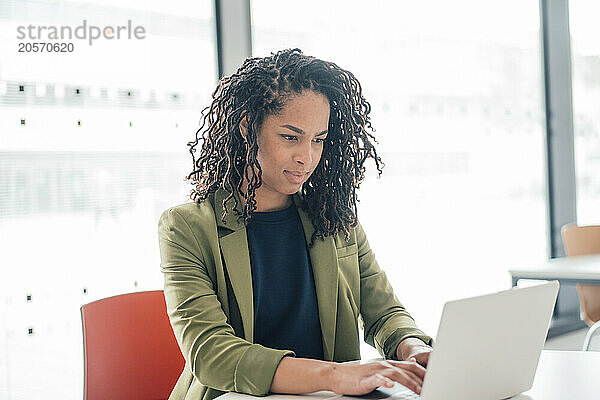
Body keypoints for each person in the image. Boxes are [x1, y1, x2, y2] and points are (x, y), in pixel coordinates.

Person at [158, 48, 433, 400]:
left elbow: (385, 313)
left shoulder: (334, 216)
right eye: (291, 137)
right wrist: (333, 375)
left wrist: (412, 349)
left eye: (318, 139)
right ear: (247, 127)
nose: (307, 157)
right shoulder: (186, 228)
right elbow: (211, 353)